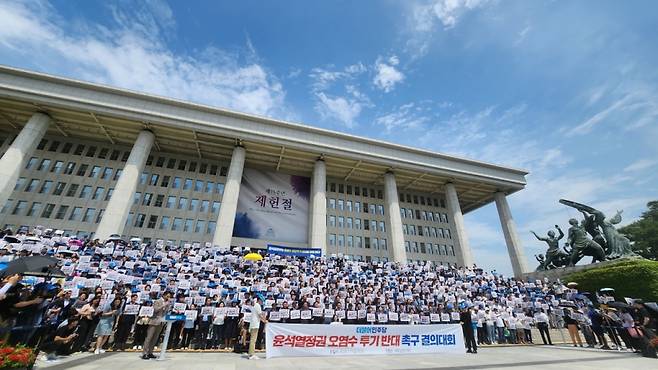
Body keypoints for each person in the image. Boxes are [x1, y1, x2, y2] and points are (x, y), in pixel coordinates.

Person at [142, 291, 172, 360]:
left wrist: (167, 306)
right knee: (149, 337)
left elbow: (166, 312)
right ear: (164, 295)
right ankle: (144, 353)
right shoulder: (157, 301)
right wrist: (164, 305)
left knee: (155, 338)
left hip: (161, 322)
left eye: (169, 297)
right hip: (154, 321)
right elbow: (155, 310)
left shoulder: (167, 303)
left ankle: (150, 352)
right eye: (167, 296)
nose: (168, 298)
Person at [248, 295, 267, 360]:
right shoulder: (257, 306)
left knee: (253, 340)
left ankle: (251, 353)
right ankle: (251, 355)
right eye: (262, 301)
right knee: (253, 340)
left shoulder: (255, 305)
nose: (262, 302)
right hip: (255, 324)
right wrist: (265, 321)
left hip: (254, 324)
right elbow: (260, 315)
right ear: (259, 300)